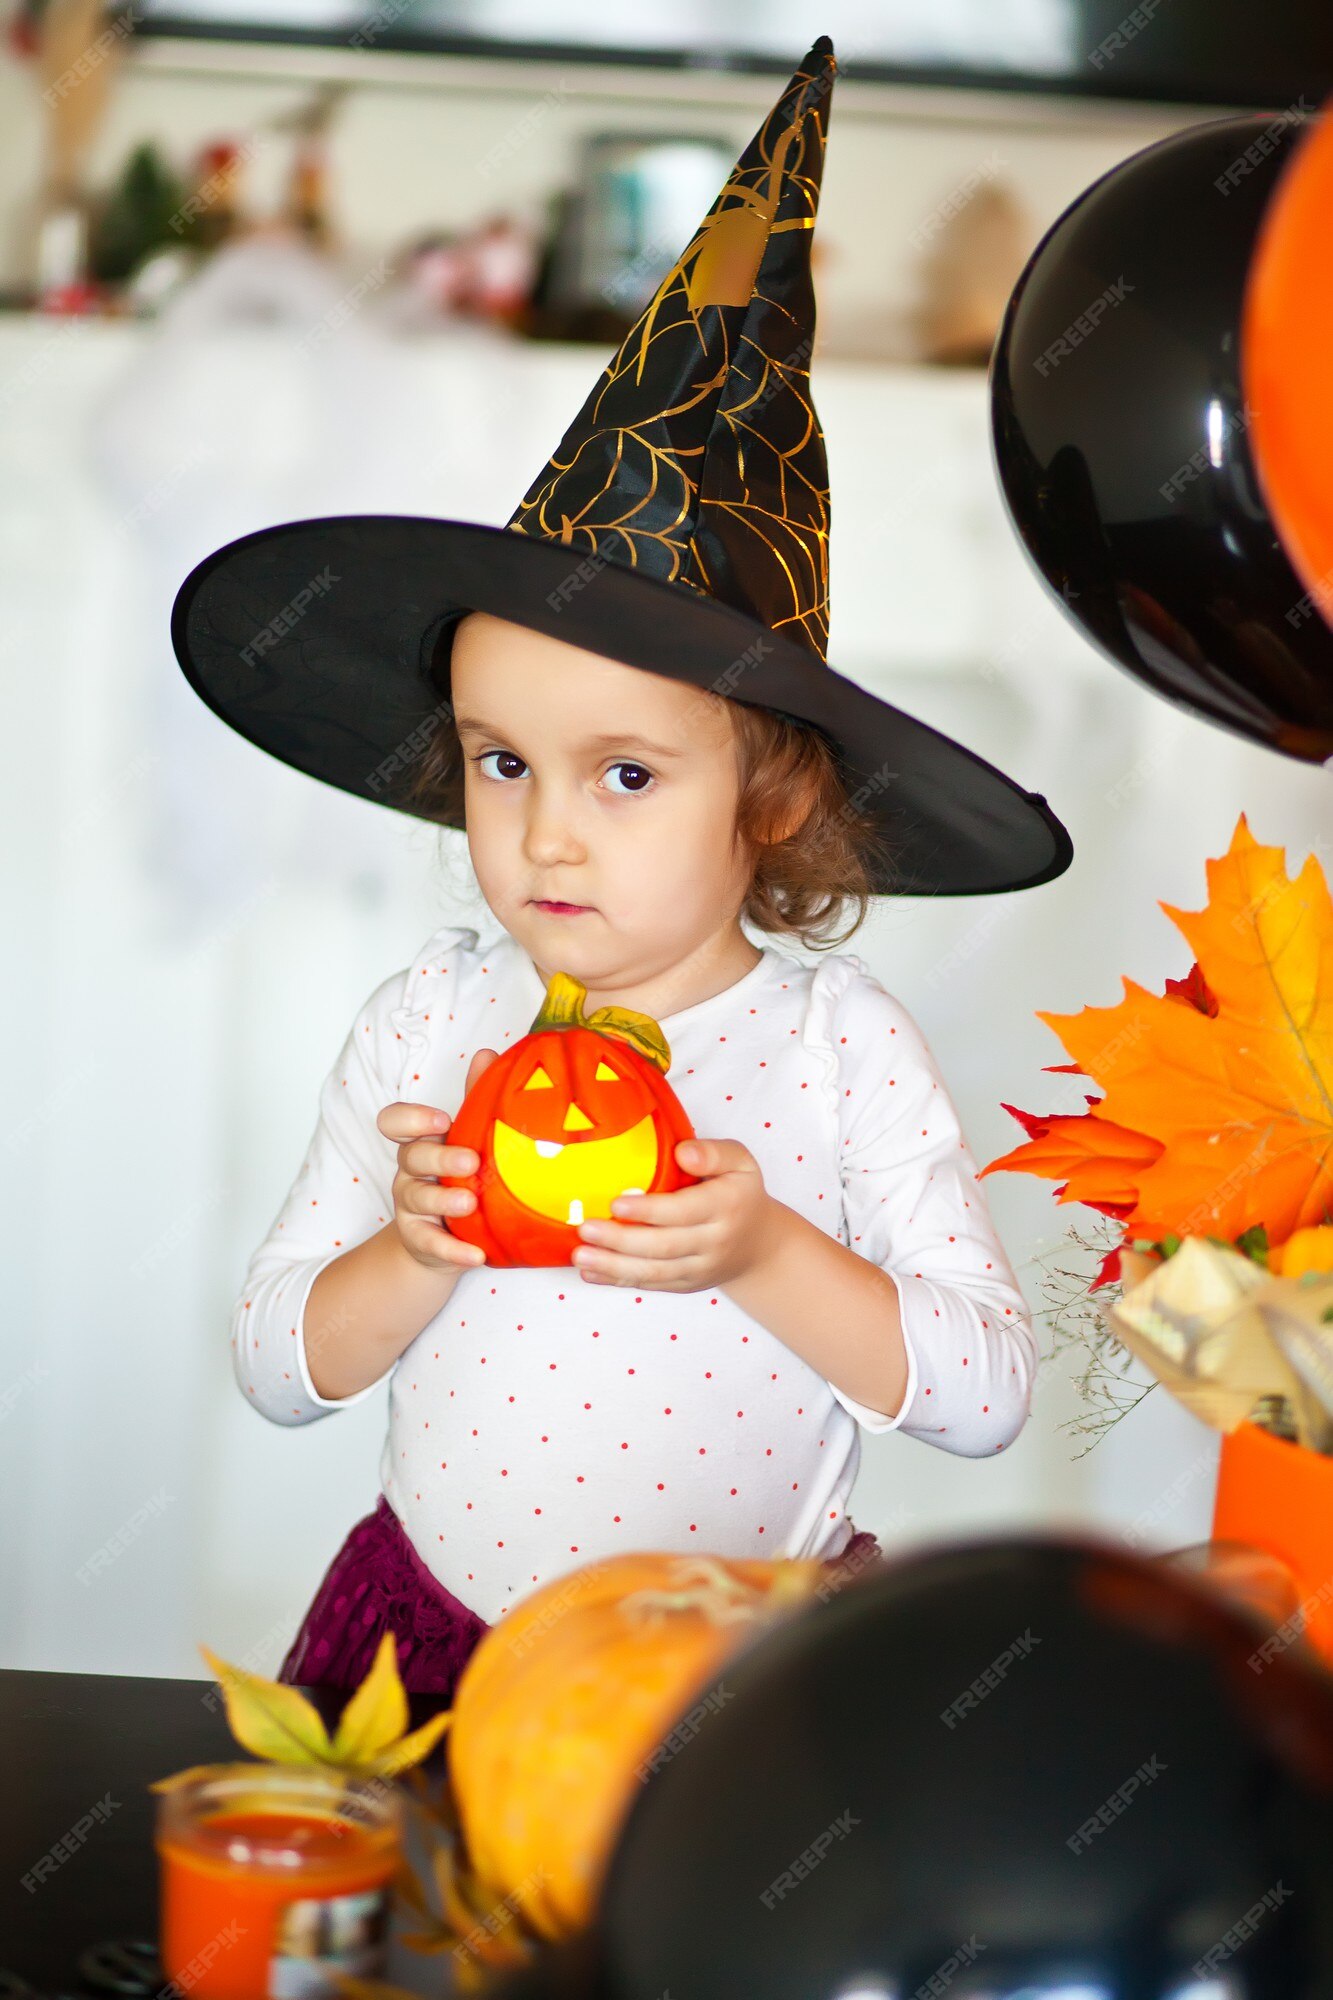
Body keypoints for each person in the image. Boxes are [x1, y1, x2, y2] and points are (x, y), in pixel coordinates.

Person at [171, 36, 1072, 1696]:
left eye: (628, 773)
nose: (545, 830)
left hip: (732, 1678)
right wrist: (412, 1250)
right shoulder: (432, 1019)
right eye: (501, 762)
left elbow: (986, 1388)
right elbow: (276, 1363)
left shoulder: (831, 1046)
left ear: (775, 795)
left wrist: (765, 1252)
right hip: (437, 1649)